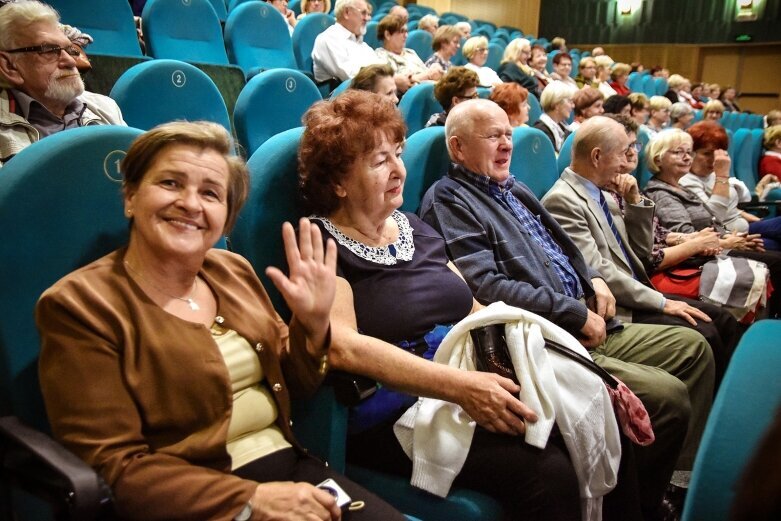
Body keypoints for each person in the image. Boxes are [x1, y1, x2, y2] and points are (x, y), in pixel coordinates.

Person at [36, 121, 406, 520]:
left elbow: (296, 381)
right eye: (171, 184)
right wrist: (247, 501)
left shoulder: (232, 270)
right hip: (189, 500)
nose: (191, 204)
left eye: (210, 193)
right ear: (130, 197)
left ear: (226, 219)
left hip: (291, 472)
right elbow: (115, 468)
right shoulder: (79, 306)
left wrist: (312, 326)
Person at [298, 89, 607, 520]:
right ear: (337, 181)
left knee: (587, 411)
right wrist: (459, 386)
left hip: (467, 374)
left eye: (398, 154)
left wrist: (541, 357)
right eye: (378, 161)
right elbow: (343, 345)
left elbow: (474, 307)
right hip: (397, 405)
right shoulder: (320, 240)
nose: (397, 170)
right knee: (548, 470)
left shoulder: (414, 227)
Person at [419, 98, 715, 520]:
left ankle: (671, 480)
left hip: (589, 315)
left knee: (694, 349)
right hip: (548, 335)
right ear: (458, 148)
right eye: (492, 137)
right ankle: (640, 507)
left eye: (508, 134)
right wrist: (573, 313)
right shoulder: (449, 200)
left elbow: (567, 246)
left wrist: (592, 278)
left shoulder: (513, 187)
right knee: (668, 398)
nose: (506, 145)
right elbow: (486, 286)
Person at [541, 116, 740, 384]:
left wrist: (634, 202)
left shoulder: (604, 192)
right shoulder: (563, 200)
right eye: (622, 153)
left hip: (638, 287)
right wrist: (663, 302)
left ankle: (724, 401)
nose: (626, 163)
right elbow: (599, 272)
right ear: (597, 156)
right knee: (705, 331)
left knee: (723, 320)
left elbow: (642, 252)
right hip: (619, 305)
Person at [643, 129, 781, 317]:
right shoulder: (661, 193)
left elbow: (712, 222)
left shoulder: (679, 187)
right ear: (658, 159)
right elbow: (686, 235)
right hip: (701, 256)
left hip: (718, 243)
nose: (686, 158)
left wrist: (731, 237)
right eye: (677, 152)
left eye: (688, 152)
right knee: (776, 261)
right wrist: (726, 242)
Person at [0, 0, 125, 167]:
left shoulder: (106, 107)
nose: (71, 61)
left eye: (70, 50)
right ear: (9, 66)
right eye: (49, 51)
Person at [679, 121, 781, 251]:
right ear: (690, 153)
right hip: (726, 236)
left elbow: (731, 204)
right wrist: (722, 175)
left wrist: (744, 214)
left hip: (743, 226)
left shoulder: (711, 173)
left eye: (716, 154)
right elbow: (710, 220)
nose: (713, 160)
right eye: (706, 153)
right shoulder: (686, 181)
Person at [312, 0, 383, 84]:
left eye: (368, 14)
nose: (368, 18)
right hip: (343, 95)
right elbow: (352, 77)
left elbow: (382, 69)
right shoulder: (328, 39)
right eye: (363, 13)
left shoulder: (363, 45)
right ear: (346, 12)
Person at [374, 14, 441, 86]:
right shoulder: (380, 56)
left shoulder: (410, 52)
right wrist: (428, 75)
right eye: (402, 31)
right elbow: (404, 82)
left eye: (406, 32)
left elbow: (426, 72)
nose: (406, 35)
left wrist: (434, 71)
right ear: (387, 35)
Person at [533, 80, 576, 154]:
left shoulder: (564, 128)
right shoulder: (541, 131)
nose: (573, 106)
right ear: (557, 105)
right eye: (569, 101)